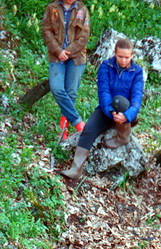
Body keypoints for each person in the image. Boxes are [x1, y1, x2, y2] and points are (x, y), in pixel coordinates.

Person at [61, 38, 144, 180]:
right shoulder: (106, 66)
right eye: (120, 57)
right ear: (114, 53)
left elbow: (137, 98)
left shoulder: (137, 71)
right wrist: (111, 112)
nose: (123, 60)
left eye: (127, 57)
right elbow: (104, 92)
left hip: (126, 110)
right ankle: (76, 169)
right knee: (88, 130)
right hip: (108, 109)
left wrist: (127, 115)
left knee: (123, 102)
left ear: (132, 56)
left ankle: (123, 137)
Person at [42, 0, 90, 139]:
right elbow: (46, 32)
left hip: (76, 57)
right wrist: (58, 51)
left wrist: (67, 52)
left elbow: (84, 36)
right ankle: (78, 122)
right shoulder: (52, 8)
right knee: (56, 88)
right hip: (56, 56)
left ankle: (64, 129)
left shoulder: (82, 9)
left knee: (71, 92)